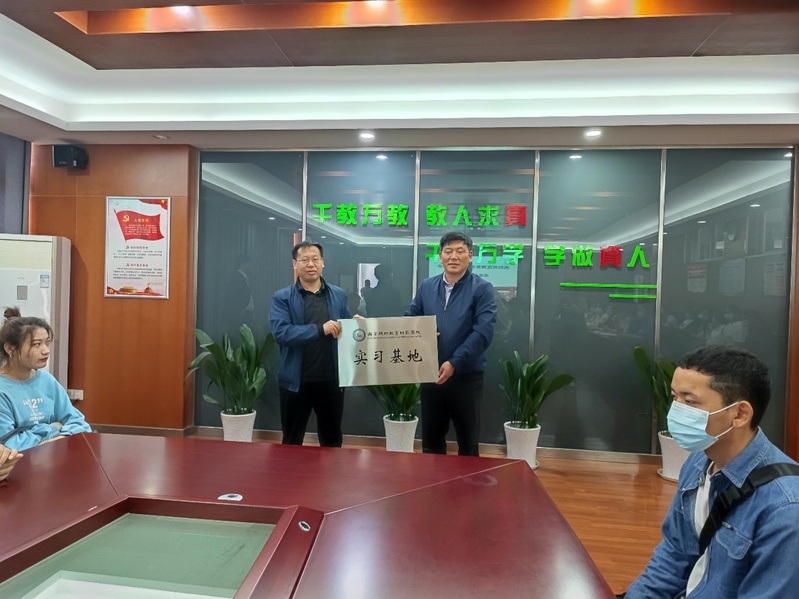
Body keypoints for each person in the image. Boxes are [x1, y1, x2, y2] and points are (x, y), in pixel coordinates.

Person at [623, 346, 799, 598]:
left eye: (690, 402)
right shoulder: (698, 462)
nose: (676, 411)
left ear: (739, 414)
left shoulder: (786, 509)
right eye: (674, 397)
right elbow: (675, 554)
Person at [406, 232, 497, 456]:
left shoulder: (482, 288)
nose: (453, 256)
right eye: (448, 251)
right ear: (440, 256)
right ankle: (433, 480)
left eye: (460, 251)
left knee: (468, 443)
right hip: (431, 374)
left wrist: (455, 362)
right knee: (432, 443)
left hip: (466, 377)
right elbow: (410, 319)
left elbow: (483, 332)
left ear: (470, 256)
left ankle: (468, 481)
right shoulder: (427, 287)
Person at [269, 241, 352, 447]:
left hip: (331, 380)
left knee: (332, 441)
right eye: (304, 260)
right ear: (294, 264)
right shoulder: (282, 297)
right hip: (295, 382)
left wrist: (354, 325)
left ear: (323, 263)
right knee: (292, 441)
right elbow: (282, 333)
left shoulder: (338, 294)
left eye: (315, 259)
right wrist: (320, 329)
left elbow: (344, 327)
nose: (310, 264)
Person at [0, 307, 91, 451]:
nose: (46, 350)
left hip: (53, 458)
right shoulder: (3, 390)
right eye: (36, 344)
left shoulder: (47, 380)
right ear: (10, 349)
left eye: (47, 342)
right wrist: (53, 428)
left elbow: (80, 425)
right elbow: (9, 444)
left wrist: (51, 438)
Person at [224, 254, 255, 331]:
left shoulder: (243, 277)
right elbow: (233, 295)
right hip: (240, 315)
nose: (251, 265)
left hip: (246, 313)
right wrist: (241, 309)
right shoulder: (236, 277)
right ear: (242, 264)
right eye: (249, 263)